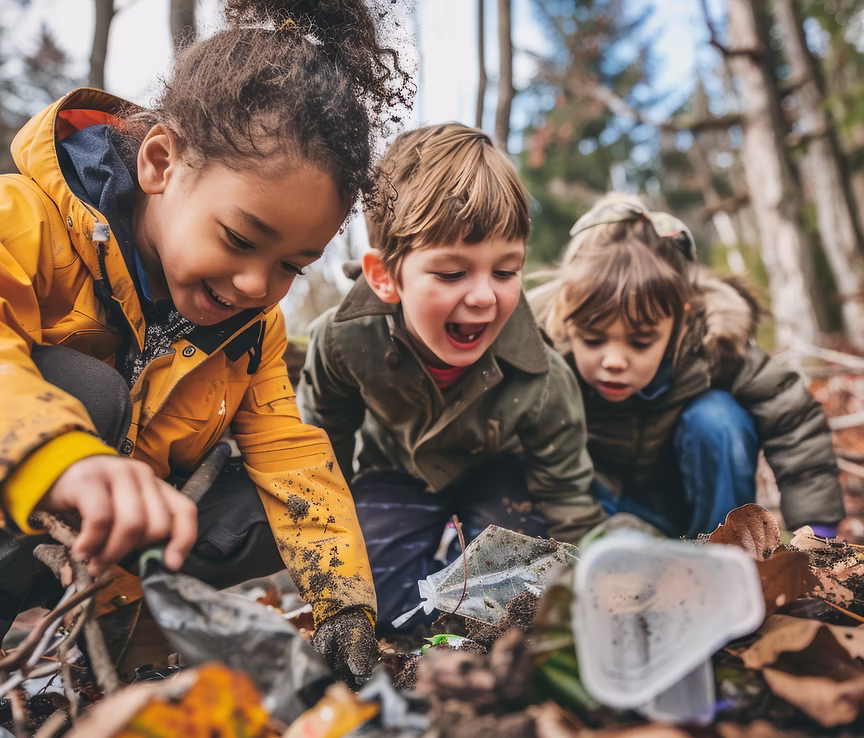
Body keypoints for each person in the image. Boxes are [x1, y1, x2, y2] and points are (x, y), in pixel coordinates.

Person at [0, 0, 412, 685]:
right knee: (93, 392)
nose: (256, 283)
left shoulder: (251, 333)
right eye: (241, 240)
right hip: (23, 485)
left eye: (291, 266)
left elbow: (290, 455)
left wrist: (340, 598)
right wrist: (58, 458)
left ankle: (87, 651)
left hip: (97, 565)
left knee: (261, 498)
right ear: (161, 161)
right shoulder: (23, 223)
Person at [298, 123, 601, 631]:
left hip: (497, 473)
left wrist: (598, 575)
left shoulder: (543, 376)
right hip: (395, 470)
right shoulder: (343, 341)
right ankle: (435, 606)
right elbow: (322, 453)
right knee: (377, 609)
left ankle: (463, 612)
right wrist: (330, 559)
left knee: (514, 595)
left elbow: (570, 502)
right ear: (384, 276)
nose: (484, 296)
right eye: (452, 273)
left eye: (505, 272)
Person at [535, 195, 845, 538]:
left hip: (686, 509)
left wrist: (817, 530)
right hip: (591, 511)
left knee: (718, 417)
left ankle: (724, 549)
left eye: (640, 343)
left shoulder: (712, 348)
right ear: (569, 320)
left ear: (679, 322)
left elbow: (794, 422)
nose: (613, 361)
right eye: (593, 341)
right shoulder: (548, 357)